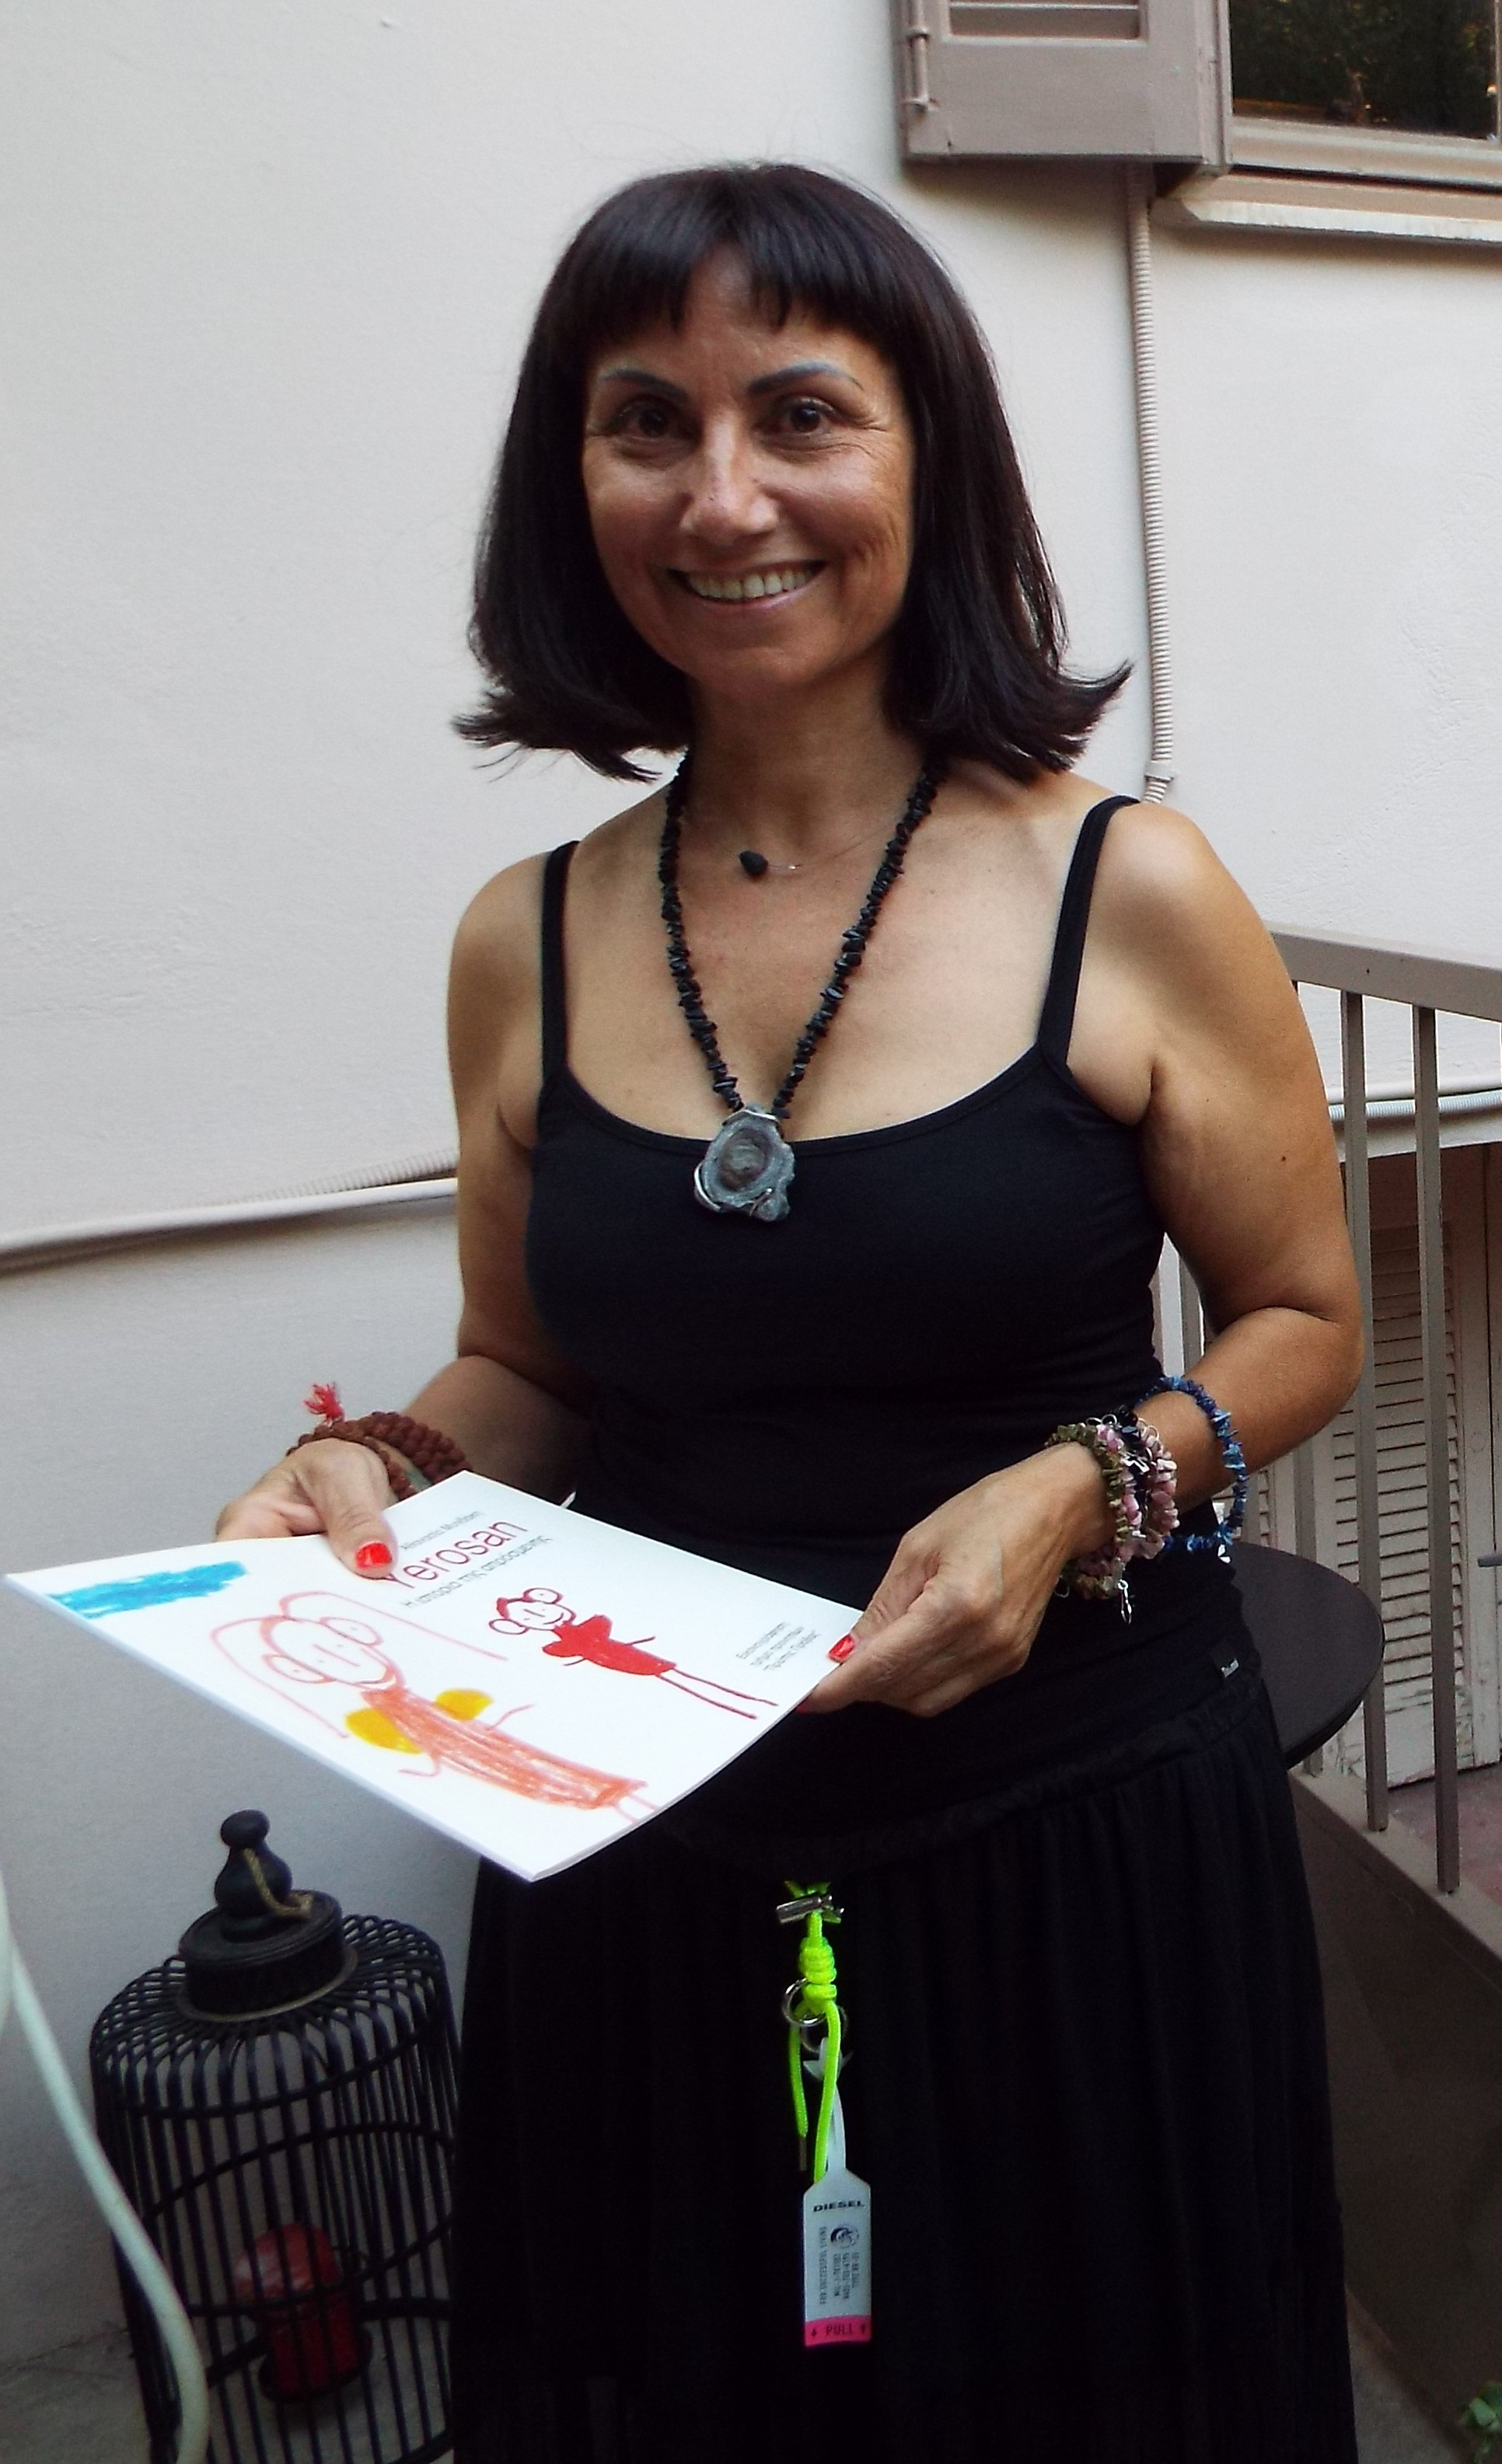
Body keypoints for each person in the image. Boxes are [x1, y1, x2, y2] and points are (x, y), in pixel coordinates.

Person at [218, 162, 1364, 2462]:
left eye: (803, 415)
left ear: (928, 460)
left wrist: (1086, 1484)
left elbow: (1301, 1318)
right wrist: (377, 1459)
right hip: (649, 1863)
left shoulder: (1125, 883)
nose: (723, 496)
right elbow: (529, 1364)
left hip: (1077, 1851)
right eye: (647, 423)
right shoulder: (523, 934)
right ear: (574, 486)